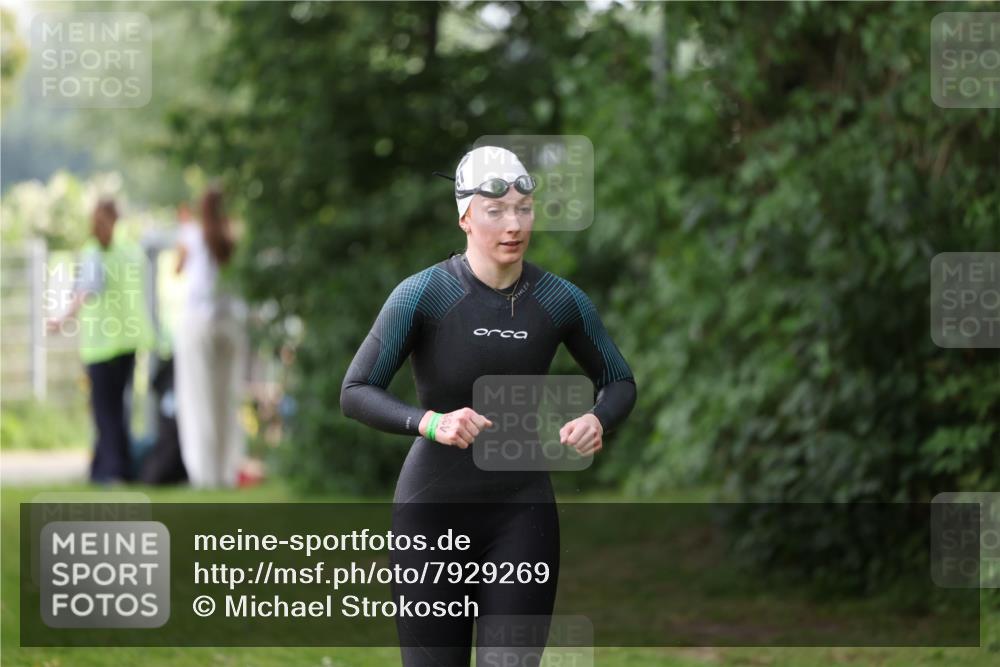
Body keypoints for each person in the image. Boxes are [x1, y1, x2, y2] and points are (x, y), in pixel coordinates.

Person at [340, 146, 637, 666]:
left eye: (524, 208)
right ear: (465, 217)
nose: (513, 223)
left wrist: (598, 417)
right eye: (496, 210)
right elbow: (356, 390)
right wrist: (429, 422)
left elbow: (618, 381)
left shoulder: (561, 300)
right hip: (431, 517)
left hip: (522, 515)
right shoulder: (423, 295)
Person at [47, 198, 156, 484]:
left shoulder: (94, 252)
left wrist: (61, 319)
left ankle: (114, 471)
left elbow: (86, 291)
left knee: (105, 411)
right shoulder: (131, 251)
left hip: (102, 344)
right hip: (129, 342)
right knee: (118, 408)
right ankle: (102, 469)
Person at [173, 188, 247, 488]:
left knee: (197, 401)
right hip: (230, 323)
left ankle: (204, 474)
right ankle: (227, 471)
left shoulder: (191, 234)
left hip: (197, 323)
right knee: (227, 399)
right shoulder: (234, 233)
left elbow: (176, 269)